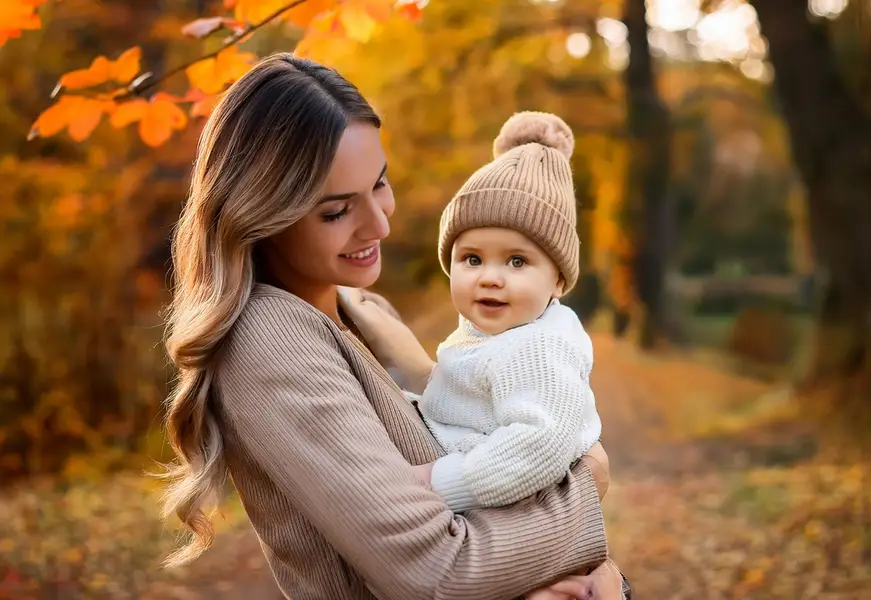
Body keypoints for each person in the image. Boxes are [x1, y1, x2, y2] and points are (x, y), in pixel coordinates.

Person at [159, 51, 626, 600]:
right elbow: (437, 571)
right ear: (261, 216)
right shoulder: (269, 340)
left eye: (379, 184)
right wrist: (583, 491)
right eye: (336, 211)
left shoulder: (362, 311)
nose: (379, 223)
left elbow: (458, 436)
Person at [337, 111, 604, 514]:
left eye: (516, 262)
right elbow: (460, 402)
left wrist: (435, 483)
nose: (490, 278)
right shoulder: (489, 335)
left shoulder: (540, 347)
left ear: (558, 282)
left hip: (510, 516)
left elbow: (542, 444)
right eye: (472, 259)